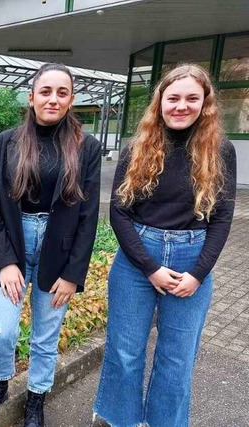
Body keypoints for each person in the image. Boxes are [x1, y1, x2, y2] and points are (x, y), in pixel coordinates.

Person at [93, 63, 236, 427]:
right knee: (125, 352)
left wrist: (199, 274)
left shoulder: (221, 150)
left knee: (177, 358)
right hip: (137, 259)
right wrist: (150, 267)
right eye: (173, 98)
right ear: (160, 102)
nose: (181, 106)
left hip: (193, 258)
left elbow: (221, 218)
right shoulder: (137, 147)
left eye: (192, 98)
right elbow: (119, 214)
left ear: (205, 104)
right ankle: (122, 421)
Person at [0, 63, 101, 427]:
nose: (53, 99)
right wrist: (4, 262)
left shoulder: (86, 147)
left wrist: (74, 273)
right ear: (31, 97)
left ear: (71, 99)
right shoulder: (6, 143)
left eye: (62, 92)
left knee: (45, 338)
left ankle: (35, 399)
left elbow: (88, 215)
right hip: (13, 245)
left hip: (57, 251)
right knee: (1, 332)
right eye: (45, 91)